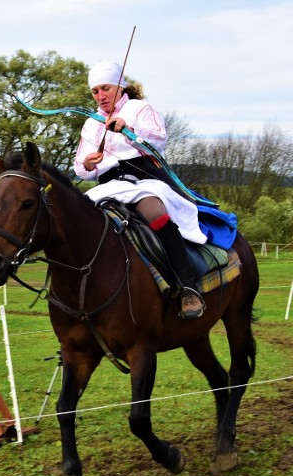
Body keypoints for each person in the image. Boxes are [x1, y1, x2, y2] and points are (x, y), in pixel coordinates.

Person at [74, 60, 206, 319]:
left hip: (142, 181)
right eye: (95, 91)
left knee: (156, 215)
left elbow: (158, 141)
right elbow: (80, 166)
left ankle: (188, 287)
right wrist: (87, 163)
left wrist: (129, 130)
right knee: (77, 223)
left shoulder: (139, 108)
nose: (100, 96)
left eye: (106, 89)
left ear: (120, 87)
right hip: (106, 188)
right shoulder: (91, 124)